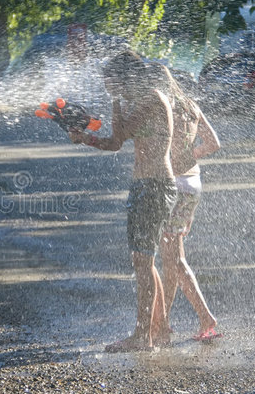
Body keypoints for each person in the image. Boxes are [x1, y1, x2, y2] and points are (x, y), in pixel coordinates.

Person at [69, 51, 177, 352]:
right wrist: (86, 139)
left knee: (143, 261)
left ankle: (143, 336)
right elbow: (116, 143)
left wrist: (115, 102)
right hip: (146, 186)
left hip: (154, 187)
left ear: (125, 78)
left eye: (110, 81)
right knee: (144, 261)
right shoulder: (140, 100)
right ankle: (159, 330)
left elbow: (120, 131)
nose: (106, 86)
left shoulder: (150, 99)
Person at [149, 63, 222, 341]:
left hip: (175, 184)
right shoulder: (190, 105)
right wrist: (191, 155)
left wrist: (175, 161)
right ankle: (163, 321)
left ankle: (206, 317)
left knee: (175, 260)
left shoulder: (161, 107)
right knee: (171, 260)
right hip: (193, 185)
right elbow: (213, 143)